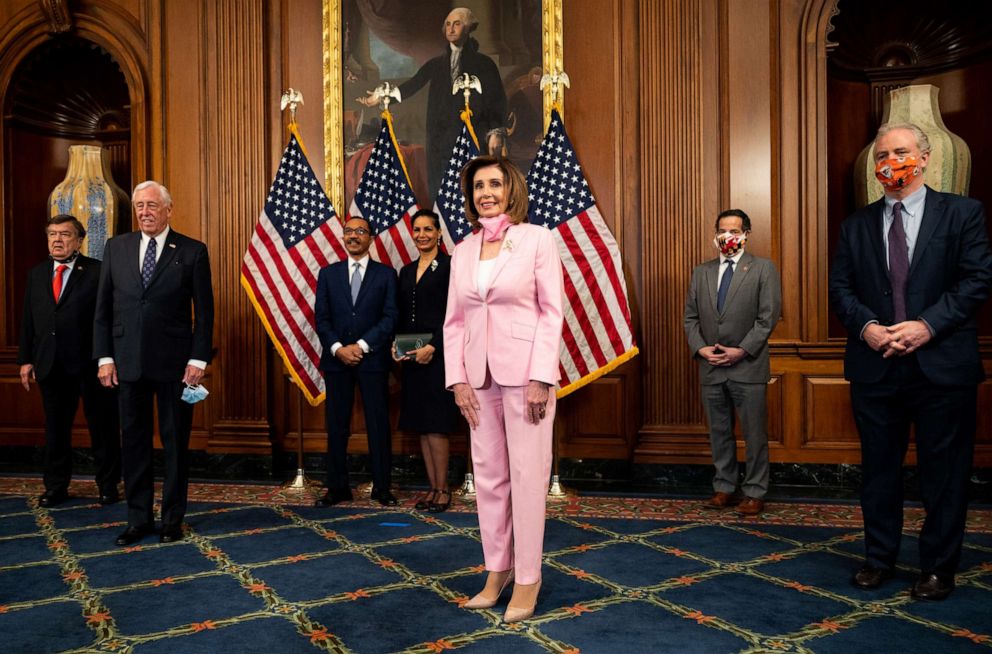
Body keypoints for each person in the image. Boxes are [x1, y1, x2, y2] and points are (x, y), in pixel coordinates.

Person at [829, 122, 992, 601]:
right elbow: (841, 289)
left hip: (942, 365)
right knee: (879, 471)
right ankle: (879, 558)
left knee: (945, 474)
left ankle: (939, 567)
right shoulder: (856, 224)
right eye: (881, 155)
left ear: (924, 158)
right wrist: (868, 328)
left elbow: (976, 280)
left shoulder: (963, 213)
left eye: (899, 152)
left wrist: (926, 325)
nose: (889, 162)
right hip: (876, 364)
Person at [444, 155, 563, 623]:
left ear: (511, 190)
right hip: (478, 379)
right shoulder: (463, 249)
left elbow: (552, 311)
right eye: (477, 186)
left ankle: (529, 578)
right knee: (489, 478)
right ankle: (497, 571)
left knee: (529, 479)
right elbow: (454, 322)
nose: (485, 192)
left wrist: (541, 376)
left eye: (494, 183)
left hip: (526, 378)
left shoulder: (536, 239)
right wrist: (457, 380)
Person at [94, 181, 214, 546]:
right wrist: (104, 357)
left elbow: (205, 314)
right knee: (133, 443)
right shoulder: (116, 248)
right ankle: (138, 519)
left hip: (177, 366)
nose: (144, 212)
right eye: (139, 206)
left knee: (175, 443)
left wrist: (198, 358)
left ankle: (172, 519)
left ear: (168, 209)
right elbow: (103, 311)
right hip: (127, 363)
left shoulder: (192, 251)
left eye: (151, 205)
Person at [18, 214, 121, 507]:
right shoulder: (37, 273)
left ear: (79, 240)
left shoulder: (98, 271)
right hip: (50, 364)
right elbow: (29, 319)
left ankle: (108, 485)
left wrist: (107, 358)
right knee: (55, 431)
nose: (57, 240)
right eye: (52, 234)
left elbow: (108, 317)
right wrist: (26, 359)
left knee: (102, 428)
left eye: (64, 234)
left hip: (90, 364)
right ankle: (55, 487)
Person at [684, 209, 781, 517]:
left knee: (754, 433)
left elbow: (767, 319)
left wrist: (742, 350)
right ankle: (724, 487)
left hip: (747, 366)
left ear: (746, 234)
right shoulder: (701, 272)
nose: (729, 236)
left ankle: (754, 491)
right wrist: (700, 349)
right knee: (719, 431)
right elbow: (690, 318)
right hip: (711, 366)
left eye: (735, 231)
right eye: (723, 231)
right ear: (716, 235)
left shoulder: (763, 269)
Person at [358, 7, 507, 200]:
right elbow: (412, 85)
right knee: (444, 194)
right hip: (441, 141)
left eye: (457, 24)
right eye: (448, 24)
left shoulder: (485, 64)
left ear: (469, 28)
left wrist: (496, 132)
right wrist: (381, 96)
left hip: (474, 137)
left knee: (475, 191)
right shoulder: (436, 64)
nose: (451, 29)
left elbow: (496, 99)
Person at [314, 216, 399, 507]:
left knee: (378, 425)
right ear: (343, 237)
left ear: (370, 238)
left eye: (360, 231)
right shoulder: (328, 274)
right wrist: (338, 348)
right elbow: (321, 318)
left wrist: (361, 346)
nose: (353, 236)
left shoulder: (386, 275)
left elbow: (390, 317)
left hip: (372, 360)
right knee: (337, 426)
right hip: (336, 361)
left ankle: (382, 487)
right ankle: (337, 487)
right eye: (349, 231)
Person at [393, 209, 460, 513]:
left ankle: (443, 490)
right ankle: (431, 489)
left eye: (428, 230)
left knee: (437, 426)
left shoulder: (449, 266)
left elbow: (458, 315)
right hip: (412, 360)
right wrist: (397, 347)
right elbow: (403, 315)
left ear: (438, 233)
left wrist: (434, 346)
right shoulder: (406, 271)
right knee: (421, 425)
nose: (422, 235)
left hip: (438, 357)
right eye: (417, 230)